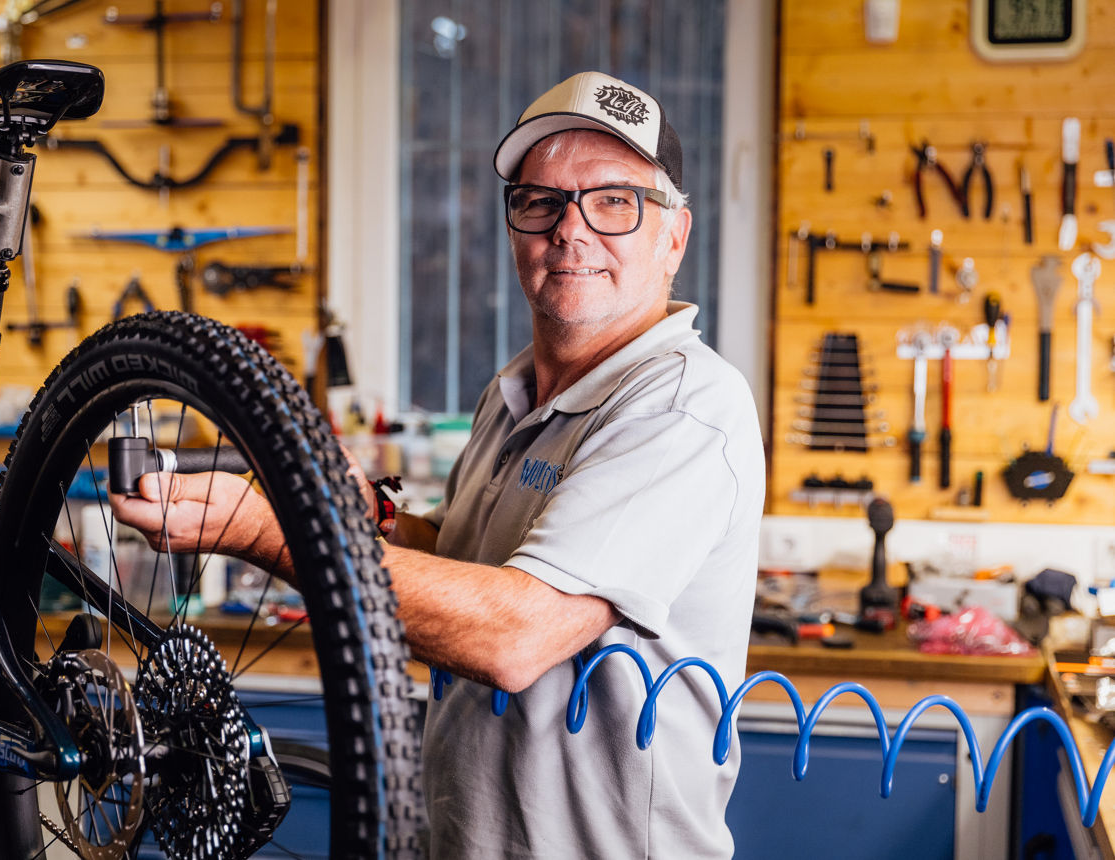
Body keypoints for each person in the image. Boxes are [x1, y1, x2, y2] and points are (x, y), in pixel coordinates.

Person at [112, 71, 764, 859]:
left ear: (674, 236)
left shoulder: (685, 407)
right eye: (541, 201)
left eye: (614, 201)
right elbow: (464, 565)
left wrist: (266, 532)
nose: (571, 229)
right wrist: (368, 514)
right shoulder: (514, 393)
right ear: (515, 227)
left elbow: (515, 635)